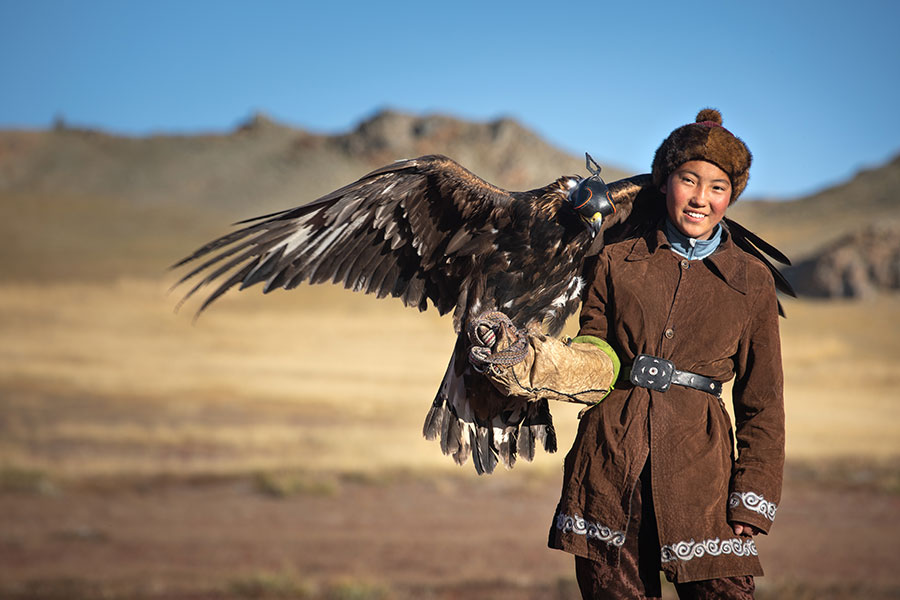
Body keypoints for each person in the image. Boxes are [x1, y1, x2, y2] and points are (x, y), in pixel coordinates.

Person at [477, 108, 784, 599]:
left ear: (732, 196)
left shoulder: (752, 280)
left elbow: (762, 401)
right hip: (610, 462)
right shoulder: (617, 259)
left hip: (702, 472)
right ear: (664, 182)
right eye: (689, 180)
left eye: (718, 187)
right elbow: (596, 347)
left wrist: (752, 498)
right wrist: (541, 361)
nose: (701, 198)